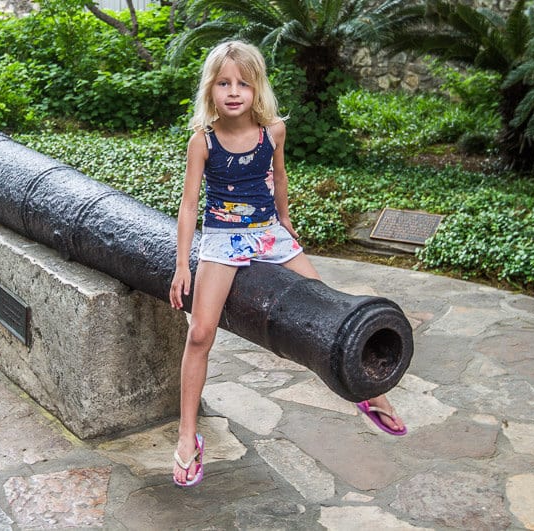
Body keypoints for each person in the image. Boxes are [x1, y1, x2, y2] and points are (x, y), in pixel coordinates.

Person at [168, 40, 407, 488]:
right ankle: (187, 437)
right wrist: (185, 264)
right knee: (199, 333)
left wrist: (286, 224)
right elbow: (188, 207)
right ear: (211, 89)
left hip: (268, 232)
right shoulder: (202, 142)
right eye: (224, 83)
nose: (234, 91)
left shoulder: (272, 132)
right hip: (221, 237)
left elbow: (279, 178)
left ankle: (369, 393)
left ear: (257, 87)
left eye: (243, 82)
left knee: (332, 310)